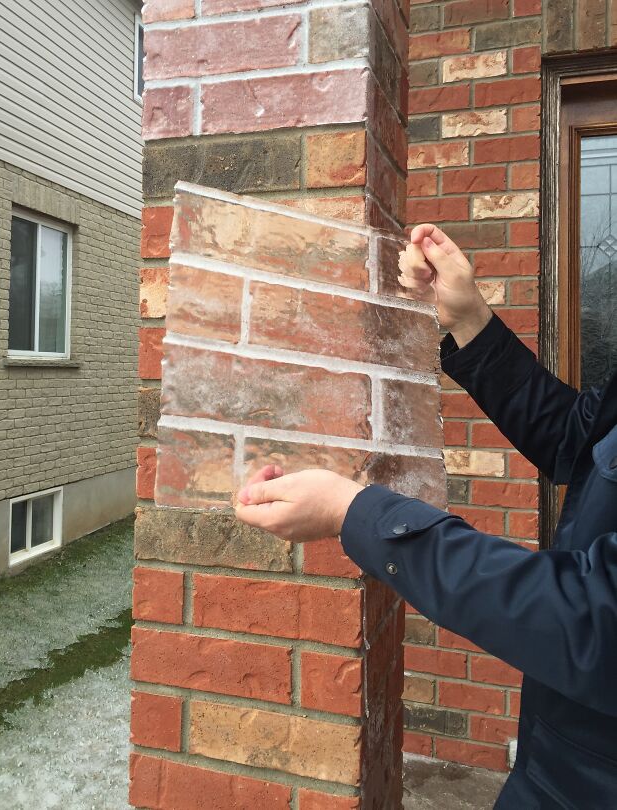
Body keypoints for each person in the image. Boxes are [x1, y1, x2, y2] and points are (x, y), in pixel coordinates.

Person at [234, 224, 617, 809]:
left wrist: (353, 512)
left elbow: (596, 621)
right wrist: (467, 319)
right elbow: (576, 437)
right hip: (560, 759)